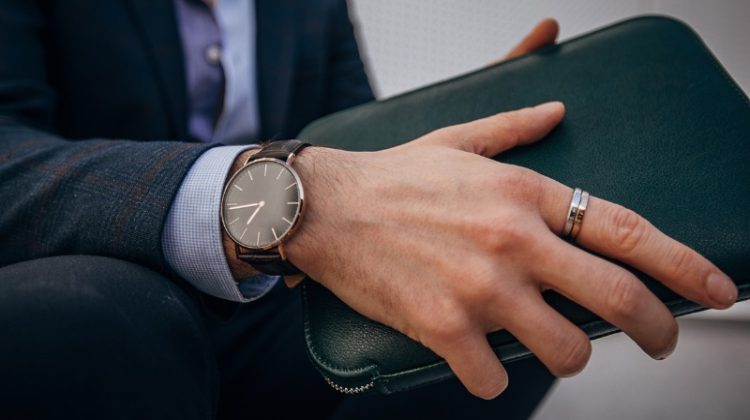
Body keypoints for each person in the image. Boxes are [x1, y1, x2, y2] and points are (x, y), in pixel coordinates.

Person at [0, 1, 737, 419]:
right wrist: (292, 200)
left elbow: (349, 141)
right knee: (91, 313)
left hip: (277, 307)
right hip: (105, 287)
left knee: (514, 282)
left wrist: (462, 134)